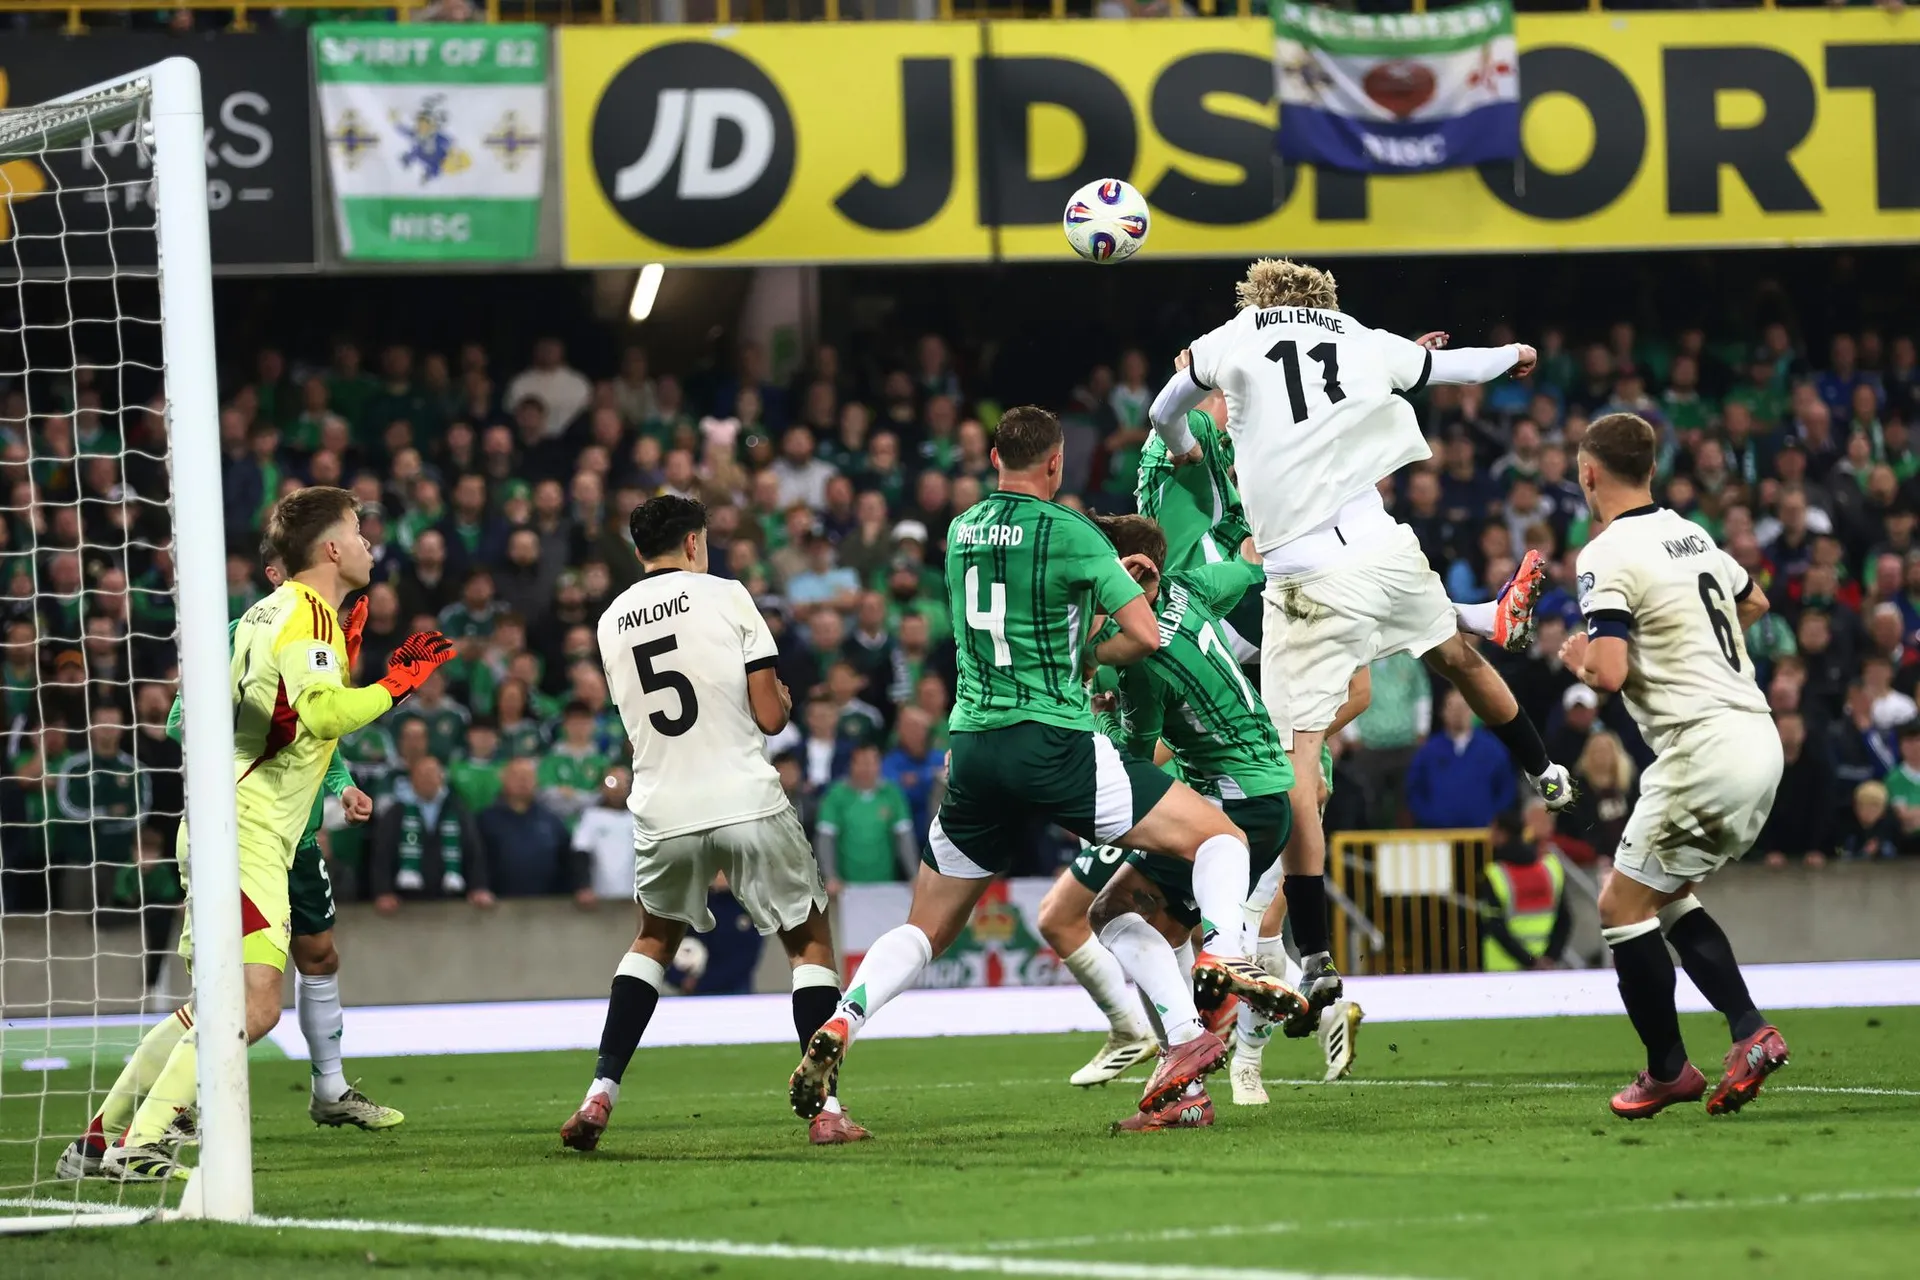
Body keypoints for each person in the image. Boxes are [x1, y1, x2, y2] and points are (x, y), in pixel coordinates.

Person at [788, 406, 1303, 1134]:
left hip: (974, 747)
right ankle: (1220, 955)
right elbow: (1144, 634)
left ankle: (844, 1019)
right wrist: (1111, 601)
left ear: (994, 457)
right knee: (1219, 839)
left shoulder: (960, 531)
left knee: (925, 928)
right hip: (1054, 743)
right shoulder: (1073, 533)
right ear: (1056, 464)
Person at [1146, 258, 1573, 1042]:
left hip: (1304, 573)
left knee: (1297, 764)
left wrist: (1178, 441)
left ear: (1258, 297)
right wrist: (1514, 356)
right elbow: (1452, 368)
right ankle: (1545, 770)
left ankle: (1314, 953)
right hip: (1384, 547)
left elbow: (1163, 407)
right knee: (1458, 659)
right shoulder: (1355, 336)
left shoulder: (1236, 336)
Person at [83, 488, 451, 1180]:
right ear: (332, 549)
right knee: (253, 1009)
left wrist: (334, 779)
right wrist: (398, 685)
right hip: (247, 834)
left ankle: (100, 1142)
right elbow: (322, 714)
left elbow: (253, 718)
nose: (370, 545)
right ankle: (143, 1143)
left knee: (209, 1009)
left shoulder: (262, 613)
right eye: (359, 533)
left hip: (224, 823)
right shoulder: (307, 615)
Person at [564, 494, 867, 1151]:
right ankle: (828, 1110)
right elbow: (770, 717)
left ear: (639, 551)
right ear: (694, 543)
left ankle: (600, 1091)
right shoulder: (727, 595)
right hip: (743, 795)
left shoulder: (610, 621)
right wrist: (782, 697)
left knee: (653, 940)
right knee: (808, 942)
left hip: (662, 804)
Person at [1556, 413, 1787, 1119]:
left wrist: (1580, 661)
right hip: (1758, 738)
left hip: (1702, 749)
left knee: (1619, 908)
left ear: (1589, 473)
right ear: (1652, 469)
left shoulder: (1605, 553)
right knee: (1666, 894)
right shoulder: (1694, 535)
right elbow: (1755, 600)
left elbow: (1609, 672)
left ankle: (1667, 1070)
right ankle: (1750, 1030)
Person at [1478, 809, 1571, 971]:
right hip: (1545, 967)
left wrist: (1530, 961)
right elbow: (1565, 919)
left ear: (1502, 834)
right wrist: (1550, 958)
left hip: (1504, 968)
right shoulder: (1551, 868)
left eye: (1492, 830)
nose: (1489, 836)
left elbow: (1496, 927)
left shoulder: (1495, 875)